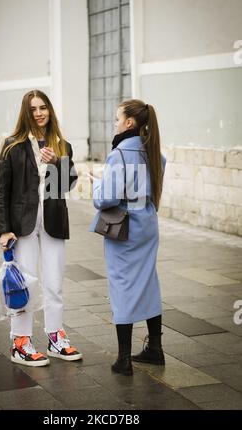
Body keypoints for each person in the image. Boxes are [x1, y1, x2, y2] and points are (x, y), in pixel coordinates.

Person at [0, 89, 82, 366]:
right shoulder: (13, 145)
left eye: (43, 107)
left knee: (55, 282)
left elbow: (65, 187)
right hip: (22, 225)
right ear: (26, 112)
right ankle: (20, 343)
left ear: (49, 110)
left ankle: (56, 338)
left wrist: (57, 163)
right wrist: (3, 229)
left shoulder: (62, 145)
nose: (39, 113)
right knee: (26, 283)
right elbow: (3, 191)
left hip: (53, 222)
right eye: (33, 109)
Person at [89, 99, 166, 376]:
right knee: (148, 281)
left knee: (122, 286)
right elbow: (155, 187)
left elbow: (107, 198)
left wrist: (96, 185)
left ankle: (124, 359)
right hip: (147, 224)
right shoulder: (153, 150)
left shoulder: (119, 154)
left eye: (117, 118)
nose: (115, 123)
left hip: (124, 229)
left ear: (129, 122)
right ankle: (155, 349)